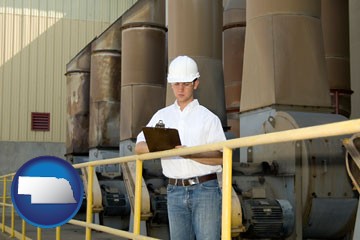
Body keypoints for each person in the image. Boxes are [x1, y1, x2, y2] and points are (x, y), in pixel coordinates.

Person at [135, 55, 226, 240]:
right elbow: (139, 147)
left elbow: (221, 157)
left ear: (196, 84)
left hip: (205, 189)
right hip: (174, 190)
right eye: (176, 83)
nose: (180, 88)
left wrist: (187, 153)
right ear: (171, 85)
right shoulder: (162, 116)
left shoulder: (209, 119)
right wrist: (163, 146)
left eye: (185, 83)